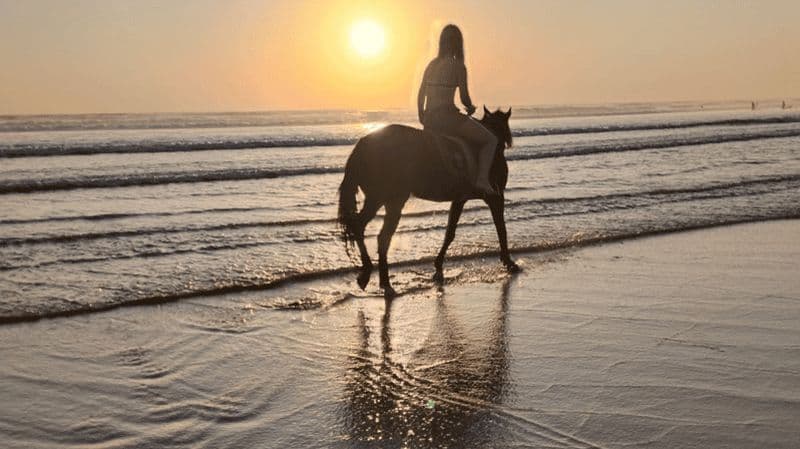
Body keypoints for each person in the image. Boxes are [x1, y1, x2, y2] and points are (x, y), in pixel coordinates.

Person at [417, 24, 498, 196]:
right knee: (490, 140)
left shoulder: (432, 65)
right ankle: (482, 180)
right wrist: (470, 108)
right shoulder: (458, 67)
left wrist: (422, 115)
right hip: (448, 118)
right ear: (458, 44)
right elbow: (464, 99)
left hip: (430, 119)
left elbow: (421, 94)